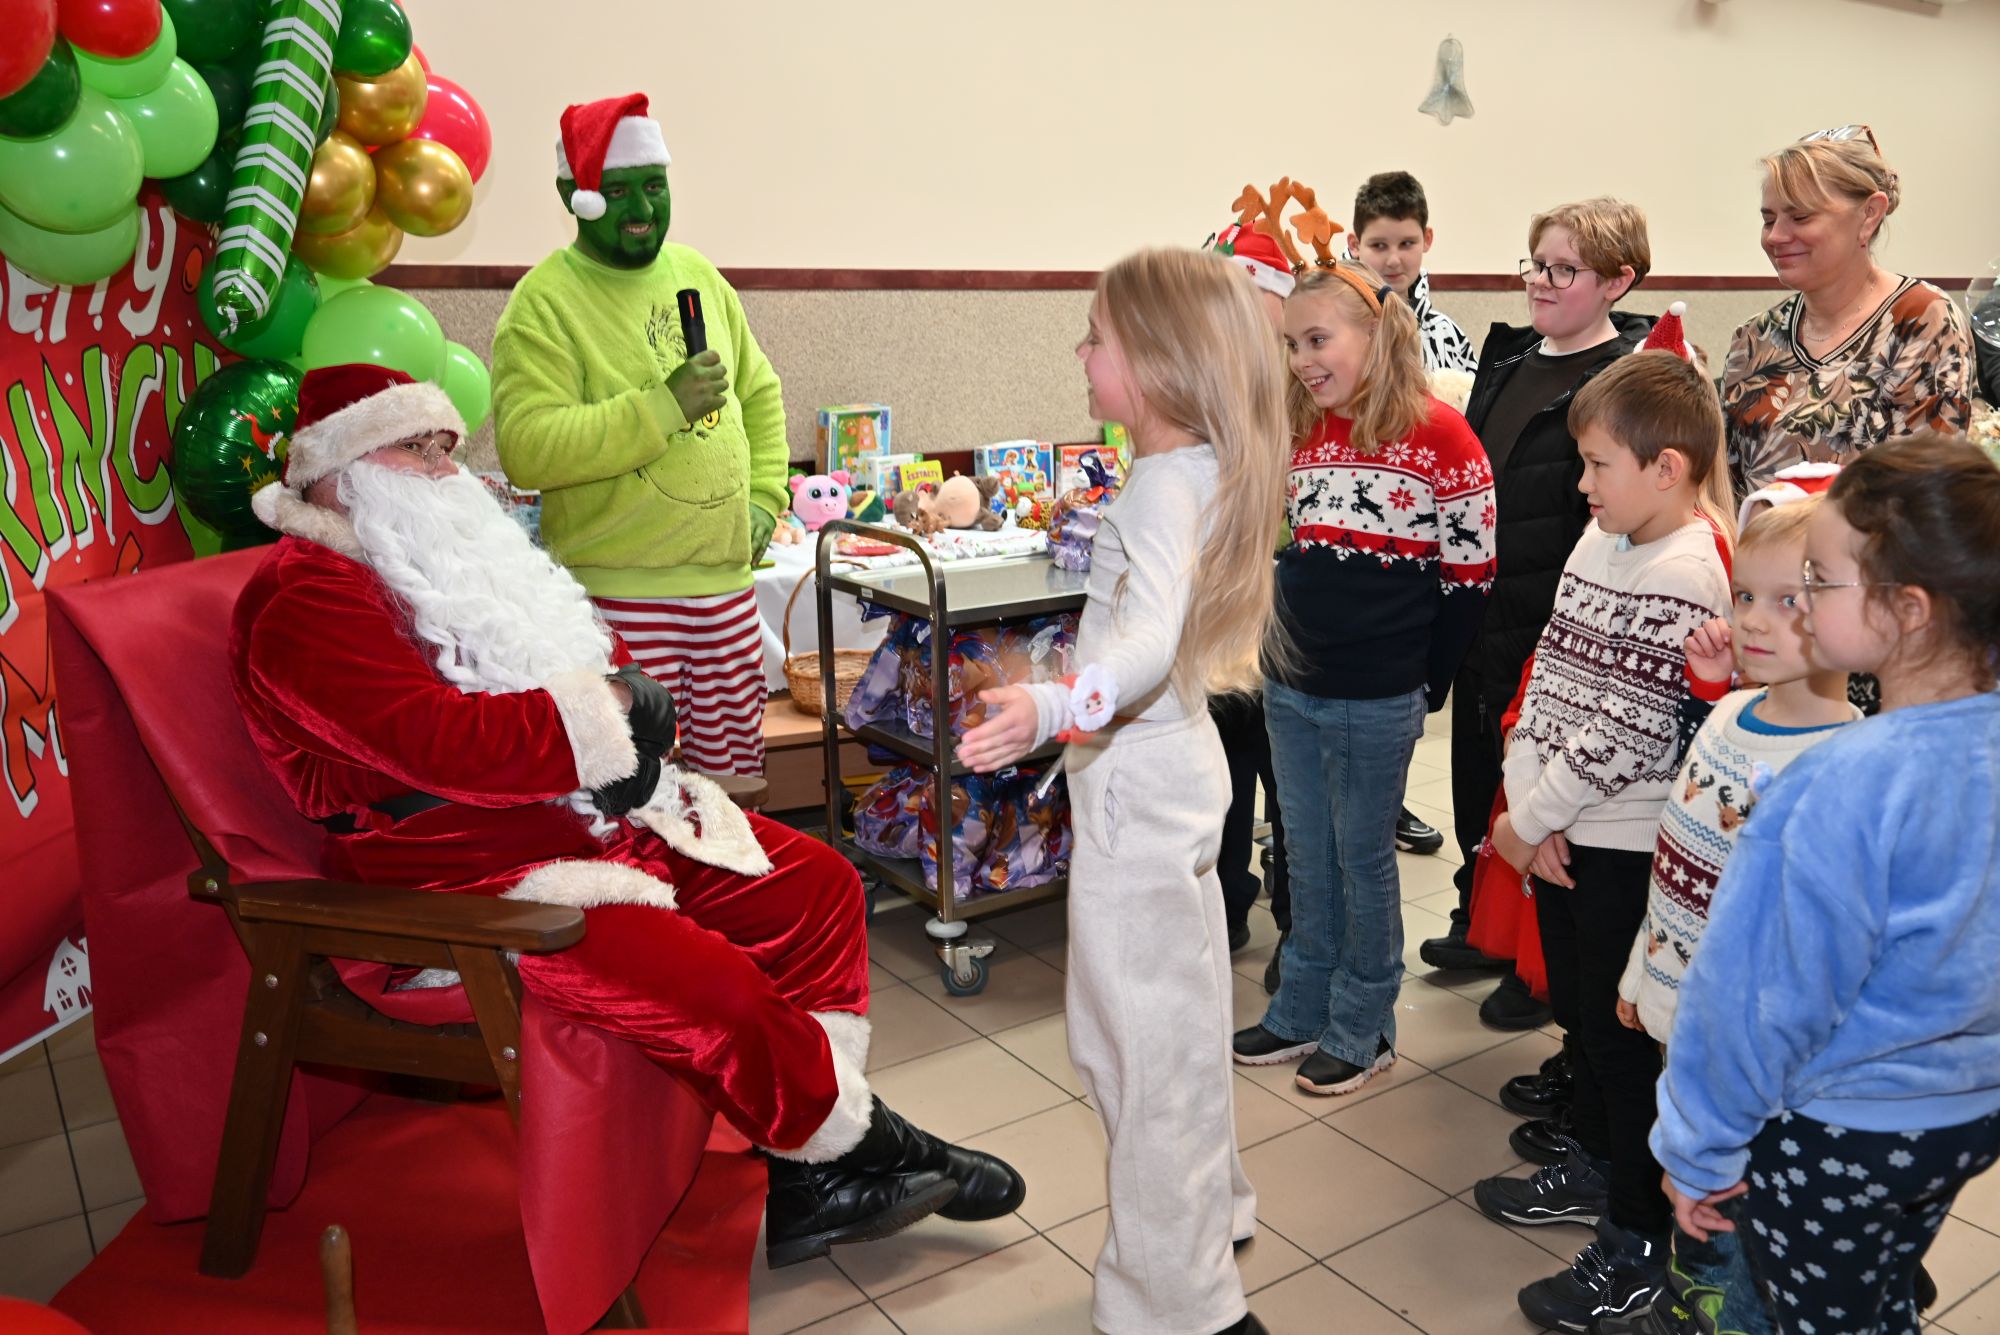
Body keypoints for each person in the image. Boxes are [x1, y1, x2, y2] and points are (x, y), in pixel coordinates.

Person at [240, 363, 1024, 1272]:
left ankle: (810, 1172)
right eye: (417, 449)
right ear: (340, 472)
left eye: (445, 447)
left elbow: (579, 650)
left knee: (815, 885)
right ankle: (874, 1144)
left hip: (586, 822)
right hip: (468, 881)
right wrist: (603, 714)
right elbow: (438, 743)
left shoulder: (430, 557)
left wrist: (624, 700)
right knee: (717, 990)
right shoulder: (305, 596)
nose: (446, 470)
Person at [957, 248, 1290, 1335]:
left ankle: (1177, 1303)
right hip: (1173, 768)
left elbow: (1143, 646)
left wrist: (1053, 705)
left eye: (1096, 336)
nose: (1080, 351)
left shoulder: (1160, 486)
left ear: (1155, 361)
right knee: (1180, 1031)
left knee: (1135, 1056)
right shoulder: (1201, 466)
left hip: (1137, 788)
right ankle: (1211, 1215)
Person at [1654, 435, 2000, 1335]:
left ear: (1907, 609)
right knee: (1877, 1294)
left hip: (1843, 1130)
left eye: (1819, 579)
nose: (1801, 599)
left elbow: (1754, 1000)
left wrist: (1698, 1147)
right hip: (1965, 1113)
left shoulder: (1839, 783)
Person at [1470, 350, 1735, 1332]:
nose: (1581, 484)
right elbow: (1549, 674)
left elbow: (1628, 725)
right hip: (1560, 827)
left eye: (1596, 465)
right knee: (1582, 1017)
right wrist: (1525, 807)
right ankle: (1591, 1161)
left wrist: (1532, 819)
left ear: (1666, 469)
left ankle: (1636, 1240)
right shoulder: (1603, 536)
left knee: (1625, 1045)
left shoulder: (1686, 570)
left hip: (1623, 843)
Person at [1228, 258, 1493, 1097]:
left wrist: (1423, 681)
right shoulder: (1302, 429)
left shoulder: (1442, 436)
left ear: (1376, 333)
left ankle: (1365, 1021)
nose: (1303, 359)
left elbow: (1471, 579)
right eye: (1292, 343)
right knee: (1307, 854)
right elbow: (1288, 549)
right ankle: (1303, 1003)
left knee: (1361, 858)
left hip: (1376, 691)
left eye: (1319, 339)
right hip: (1291, 682)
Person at [1612, 494, 1859, 1335]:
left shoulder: (1839, 762)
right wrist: (1642, 976)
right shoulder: (1723, 711)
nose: (1753, 619)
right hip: (1682, 1017)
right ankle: (1690, 1299)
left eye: (1788, 600)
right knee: (1694, 1193)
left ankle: (1719, 1311)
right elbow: (1675, 867)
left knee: (1736, 1212)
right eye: (1745, 594)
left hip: (1753, 1056)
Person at [492, 93, 789, 778]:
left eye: (653, 186)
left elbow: (759, 393)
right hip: (618, 598)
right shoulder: (544, 302)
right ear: (573, 197)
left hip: (726, 596)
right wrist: (662, 407)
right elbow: (527, 446)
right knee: (633, 794)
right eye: (618, 190)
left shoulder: (699, 276)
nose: (641, 208)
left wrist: (766, 500)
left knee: (733, 791)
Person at [1422, 197, 1660, 1035]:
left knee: (1551, 796)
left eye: (1565, 269)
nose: (1542, 282)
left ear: (1617, 281)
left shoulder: (1626, 376)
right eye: (1536, 264)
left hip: (1558, 622)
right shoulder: (1511, 358)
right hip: (1484, 611)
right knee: (1479, 778)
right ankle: (1479, 915)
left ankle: (1537, 964)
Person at [1722, 128, 1973, 497]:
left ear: (1869, 215)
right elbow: (1726, 486)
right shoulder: (1754, 338)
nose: (1775, 236)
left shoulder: (1922, 321)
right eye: (1769, 220)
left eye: (1800, 217)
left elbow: (1925, 490)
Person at [1207, 220, 1295, 963]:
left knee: (1289, 779)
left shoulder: (1306, 382)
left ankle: (1298, 924)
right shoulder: (1207, 384)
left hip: (1289, 615)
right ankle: (1227, 902)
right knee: (1226, 769)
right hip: (1223, 615)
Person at [1348, 169, 1476, 376]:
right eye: (1379, 245)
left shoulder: (1447, 335)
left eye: (1406, 243)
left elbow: (1472, 395)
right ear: (1355, 245)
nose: (1393, 260)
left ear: (1427, 239)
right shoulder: (1332, 329)